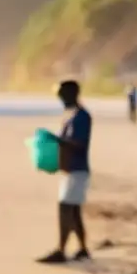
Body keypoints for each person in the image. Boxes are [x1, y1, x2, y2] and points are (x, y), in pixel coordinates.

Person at [37, 80, 91, 264]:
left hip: (77, 170)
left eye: (62, 95)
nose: (60, 98)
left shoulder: (81, 117)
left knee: (65, 208)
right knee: (74, 211)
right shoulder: (75, 115)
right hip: (73, 170)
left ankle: (61, 250)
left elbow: (79, 144)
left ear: (70, 94)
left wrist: (57, 140)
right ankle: (83, 249)